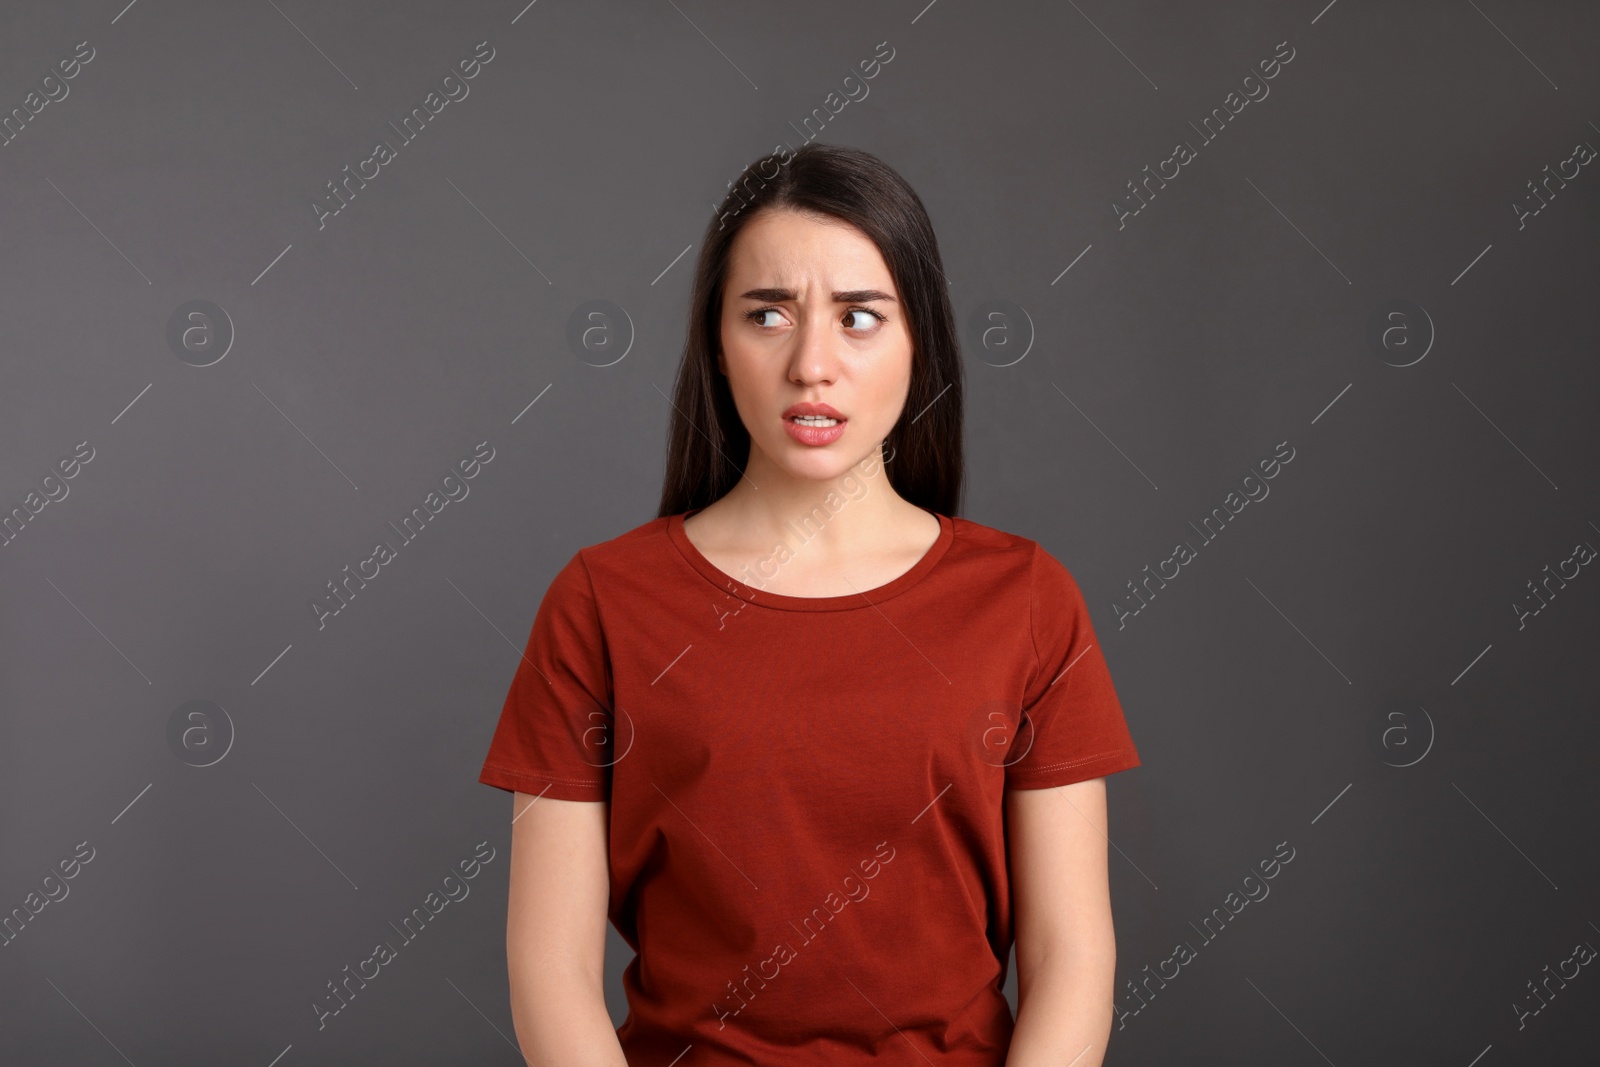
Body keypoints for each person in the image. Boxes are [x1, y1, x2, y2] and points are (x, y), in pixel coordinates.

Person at [477, 142, 1141, 1066]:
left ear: (921, 341)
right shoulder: (602, 603)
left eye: (860, 316)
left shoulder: (1026, 598)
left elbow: (1073, 958)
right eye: (768, 315)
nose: (811, 364)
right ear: (717, 339)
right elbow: (547, 969)